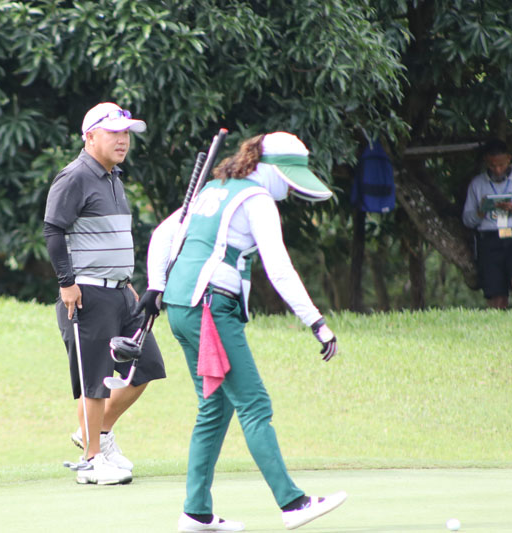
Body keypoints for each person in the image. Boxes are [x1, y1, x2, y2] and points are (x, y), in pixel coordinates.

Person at [136, 132, 346, 531]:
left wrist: (156, 286)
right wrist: (316, 322)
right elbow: (279, 268)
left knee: (215, 407)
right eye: (287, 178)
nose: (290, 188)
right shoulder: (257, 199)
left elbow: (163, 235)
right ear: (270, 169)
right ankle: (293, 503)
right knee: (254, 404)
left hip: (181, 306)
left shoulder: (215, 188)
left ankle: (196, 512)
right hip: (210, 308)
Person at [43, 102, 166, 485]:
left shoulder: (113, 178)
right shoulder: (75, 176)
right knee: (95, 380)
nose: (122, 140)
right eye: (114, 132)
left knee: (145, 366)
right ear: (90, 136)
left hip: (120, 292)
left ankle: (97, 434)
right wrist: (66, 282)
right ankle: (91, 461)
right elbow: (53, 231)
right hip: (86, 294)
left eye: (125, 133)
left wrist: (125, 280)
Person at [462, 139, 512, 309]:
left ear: (509, 158)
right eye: (492, 165)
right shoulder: (477, 184)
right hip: (489, 240)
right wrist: (481, 212)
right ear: (486, 161)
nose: (497, 169)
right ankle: (497, 321)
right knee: (495, 290)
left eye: (501, 165)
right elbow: (467, 220)